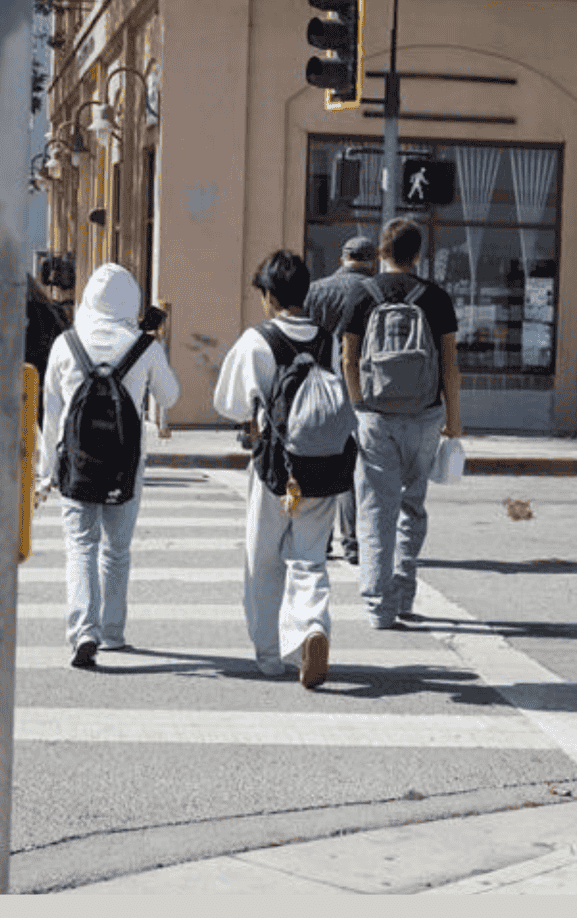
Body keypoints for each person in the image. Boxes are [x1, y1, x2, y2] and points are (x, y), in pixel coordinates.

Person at [214, 250, 353, 689]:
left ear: (269, 295)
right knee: (310, 557)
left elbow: (229, 403)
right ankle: (313, 627)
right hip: (325, 466)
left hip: (276, 467)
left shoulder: (258, 340)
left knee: (265, 559)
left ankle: (270, 655)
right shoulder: (326, 339)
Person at [37, 263, 180, 668]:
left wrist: (46, 472)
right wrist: (155, 346)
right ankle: (113, 631)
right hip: (125, 462)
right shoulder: (144, 346)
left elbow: (51, 414)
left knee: (80, 545)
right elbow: (170, 397)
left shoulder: (67, 345)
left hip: (76, 460)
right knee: (116, 549)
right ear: (130, 300)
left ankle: (85, 630)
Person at [341, 218, 463, 629]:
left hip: (375, 415)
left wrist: (358, 406)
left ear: (381, 251)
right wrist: (455, 421)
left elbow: (348, 358)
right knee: (412, 505)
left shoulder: (363, 295)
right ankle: (404, 594)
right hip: (426, 415)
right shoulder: (437, 298)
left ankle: (379, 607)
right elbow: (449, 365)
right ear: (419, 253)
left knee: (376, 510)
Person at [303, 234, 378, 565]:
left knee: (323, 465)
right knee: (354, 468)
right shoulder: (377, 292)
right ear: (372, 260)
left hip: (321, 388)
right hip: (362, 389)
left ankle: (321, 543)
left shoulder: (316, 290)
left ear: (342, 258)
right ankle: (353, 544)